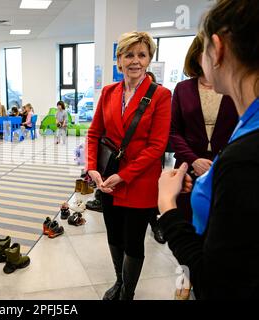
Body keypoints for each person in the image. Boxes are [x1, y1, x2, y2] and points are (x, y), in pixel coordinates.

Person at [158, 0, 259, 299]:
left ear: (218, 49)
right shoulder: (249, 125)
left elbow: (216, 282)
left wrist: (166, 205)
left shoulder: (242, 159)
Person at [86, 31, 172, 300]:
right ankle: (119, 280)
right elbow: (94, 133)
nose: (135, 60)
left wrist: (124, 176)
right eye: (129, 55)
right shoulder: (109, 92)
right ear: (119, 61)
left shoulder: (161, 95)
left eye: (142, 55)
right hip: (108, 180)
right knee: (114, 235)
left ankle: (128, 292)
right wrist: (92, 167)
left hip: (140, 181)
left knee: (133, 241)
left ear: (148, 60)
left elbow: (157, 147)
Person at [170, 32, 238, 223]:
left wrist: (220, 161)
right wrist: (194, 160)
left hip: (225, 164)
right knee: (187, 219)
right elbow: (174, 131)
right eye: (206, 53)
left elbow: (241, 129)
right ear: (196, 55)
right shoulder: (183, 88)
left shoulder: (233, 86)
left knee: (220, 220)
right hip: (188, 166)